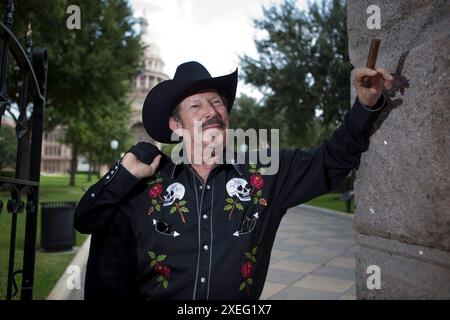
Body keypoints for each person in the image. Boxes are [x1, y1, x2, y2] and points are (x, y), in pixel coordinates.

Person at [74, 61, 393, 300]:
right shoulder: (145, 185)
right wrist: (124, 173)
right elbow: (86, 218)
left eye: (217, 103)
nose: (211, 111)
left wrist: (365, 105)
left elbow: (332, 160)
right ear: (176, 125)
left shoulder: (265, 174)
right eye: (196, 106)